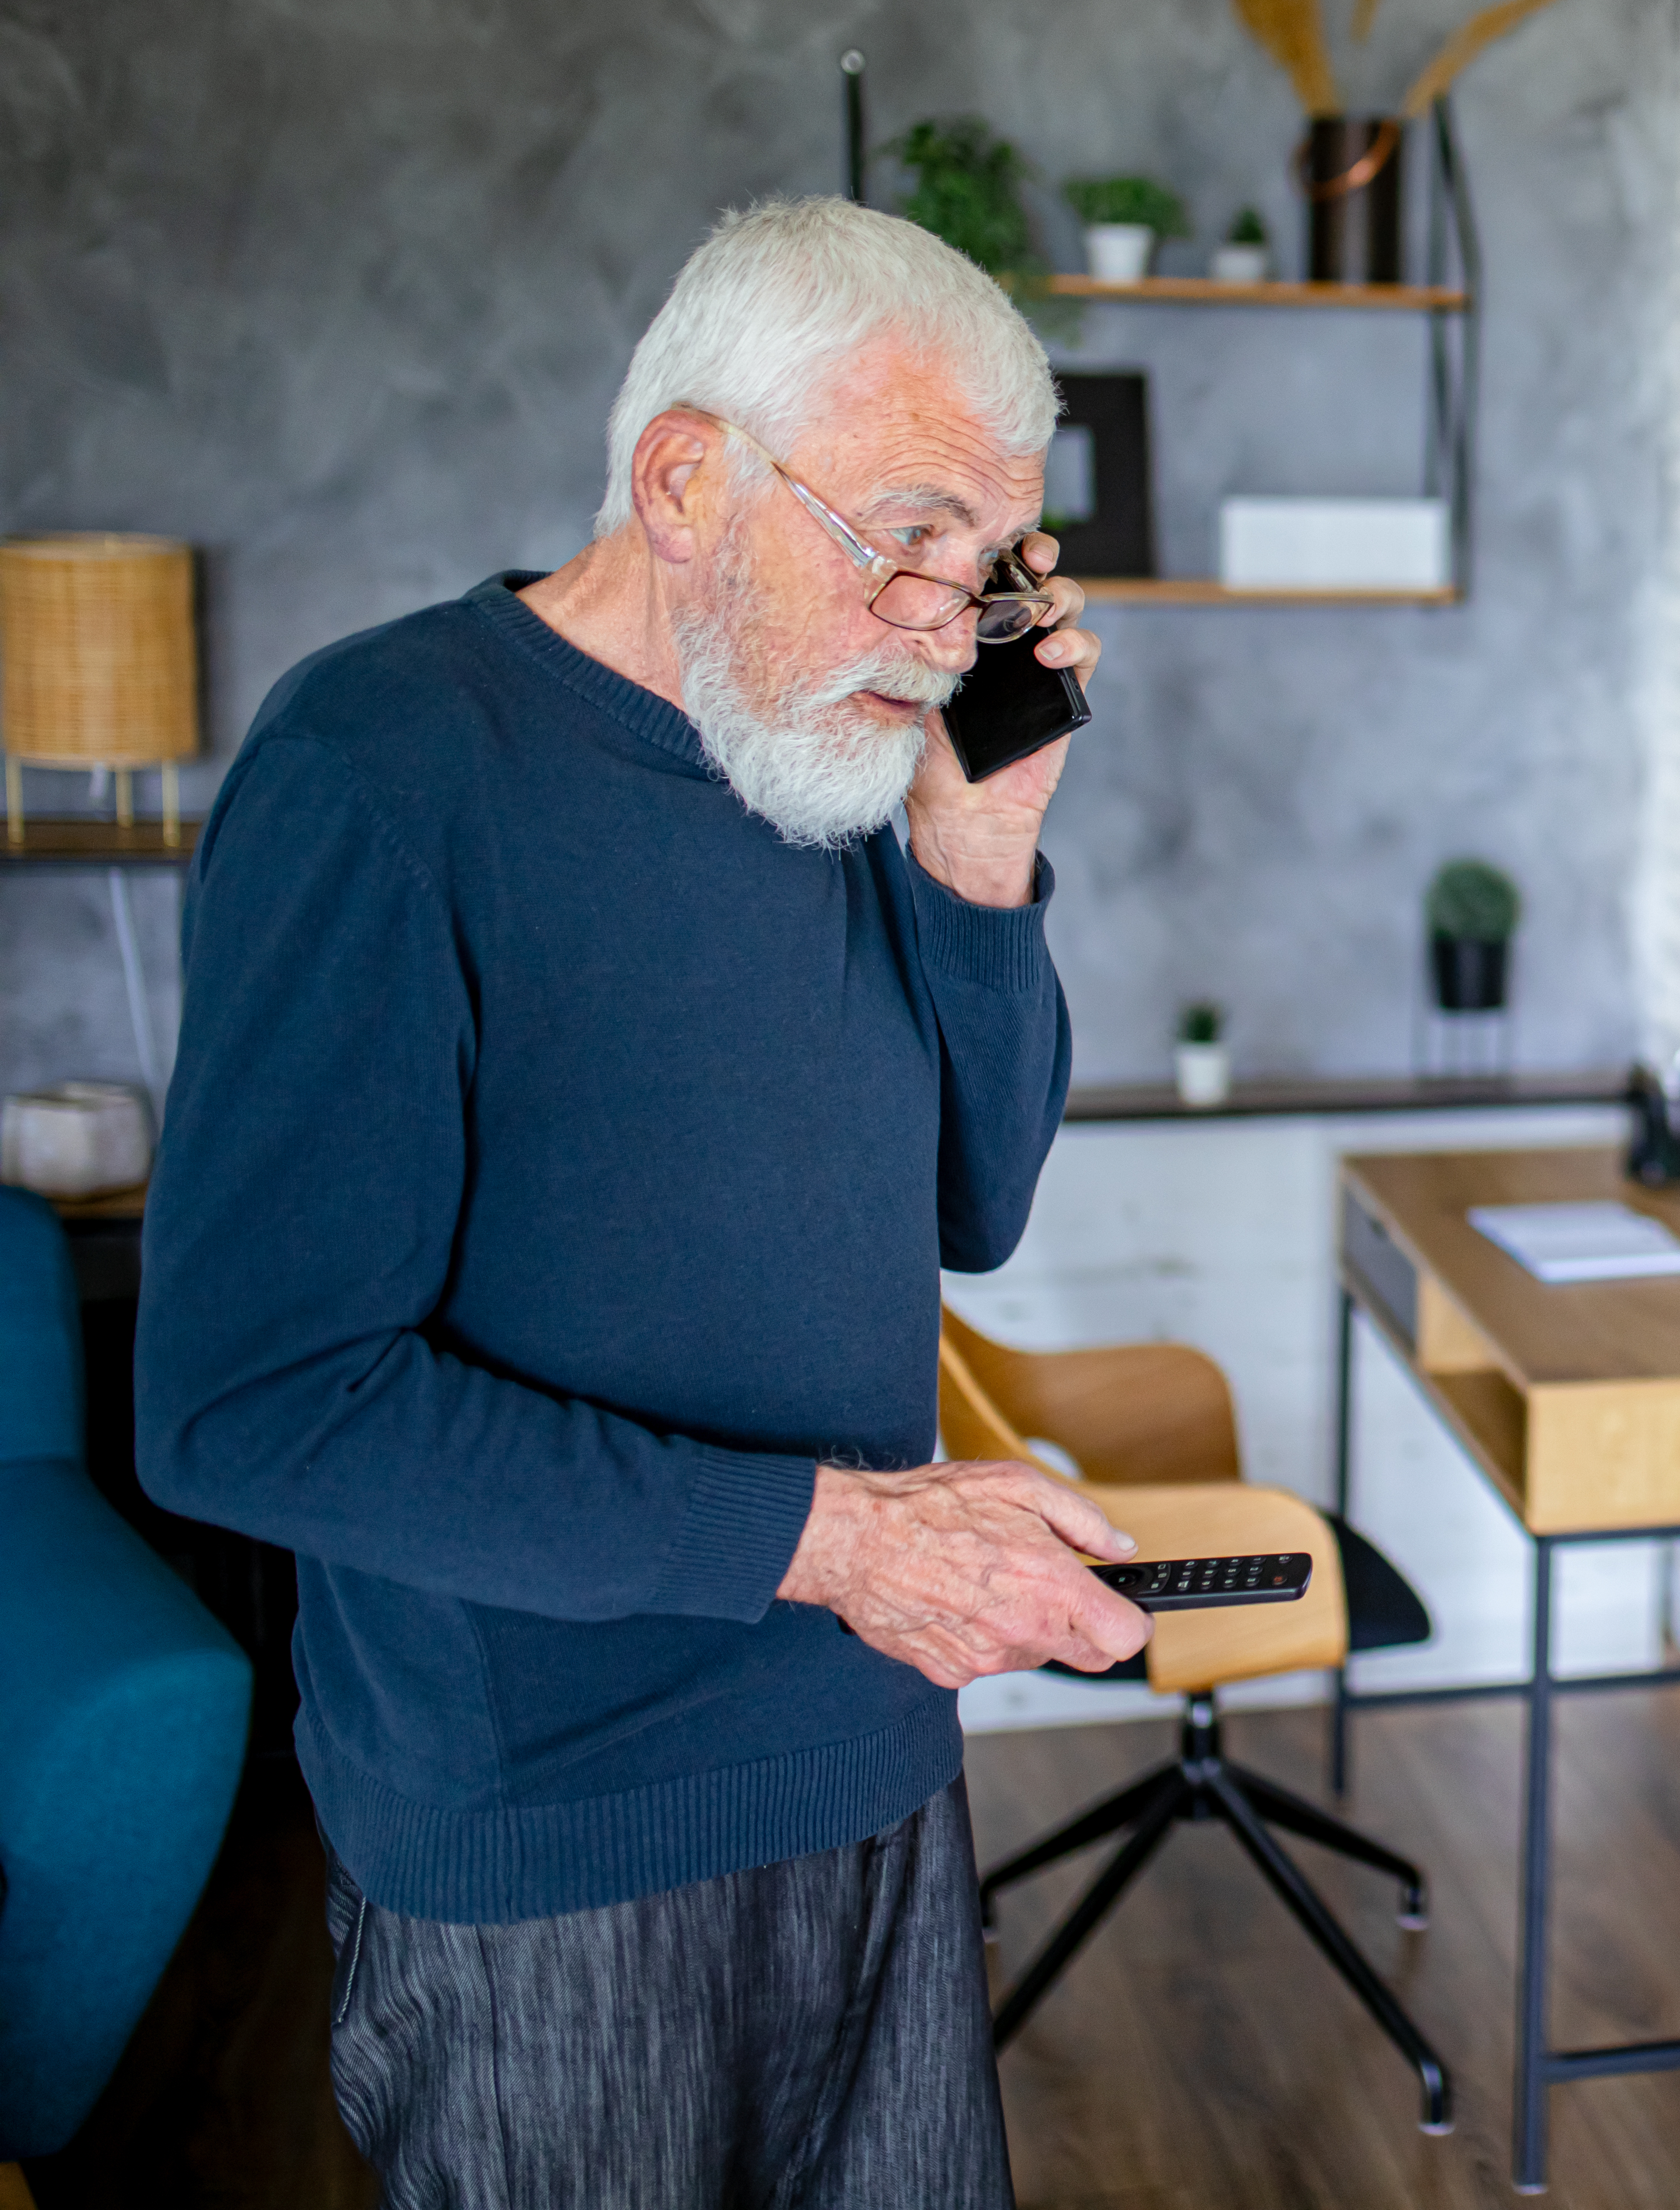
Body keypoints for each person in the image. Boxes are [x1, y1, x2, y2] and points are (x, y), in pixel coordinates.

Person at [134, 197, 1150, 2208]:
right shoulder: (384, 763)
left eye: (994, 566)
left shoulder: (848, 772)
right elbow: (252, 1401)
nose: (953, 632)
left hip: (871, 1764)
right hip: (548, 1845)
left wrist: (982, 855)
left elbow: (977, 1199)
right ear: (688, 477)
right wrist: (838, 1537)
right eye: (910, 542)